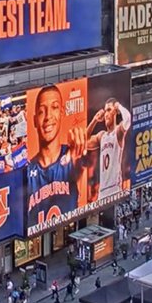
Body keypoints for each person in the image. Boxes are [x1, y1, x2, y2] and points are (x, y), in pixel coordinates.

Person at [27, 85, 95, 229]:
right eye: (41, 111)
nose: (48, 117)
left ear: (62, 112)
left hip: (68, 230)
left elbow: (80, 166)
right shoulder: (27, 170)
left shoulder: (72, 155)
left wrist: (80, 146)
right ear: (34, 120)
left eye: (55, 107)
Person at [84, 98, 132, 201]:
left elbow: (128, 119)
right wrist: (94, 120)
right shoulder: (102, 136)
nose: (106, 114)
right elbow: (85, 142)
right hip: (102, 192)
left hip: (114, 188)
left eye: (109, 110)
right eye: (105, 110)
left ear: (116, 112)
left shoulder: (118, 132)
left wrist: (118, 106)